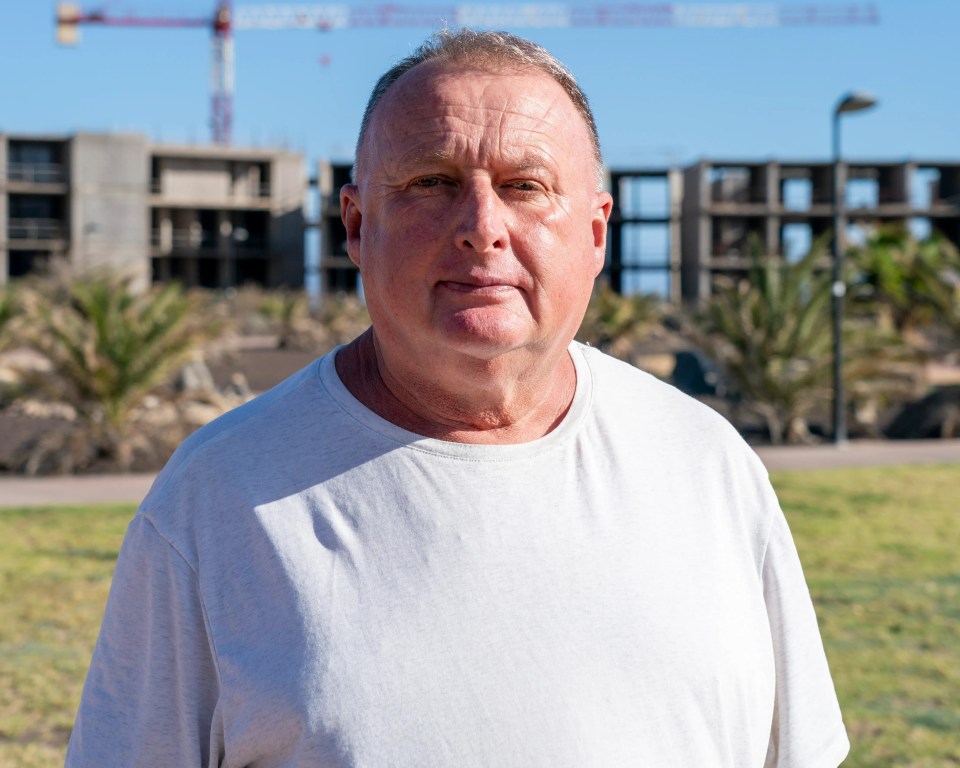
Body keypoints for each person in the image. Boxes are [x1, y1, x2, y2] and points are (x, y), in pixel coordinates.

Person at [66, 29, 849, 768]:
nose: (481, 227)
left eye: (526, 186)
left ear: (597, 231)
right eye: (432, 183)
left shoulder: (707, 465)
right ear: (356, 225)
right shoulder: (216, 501)